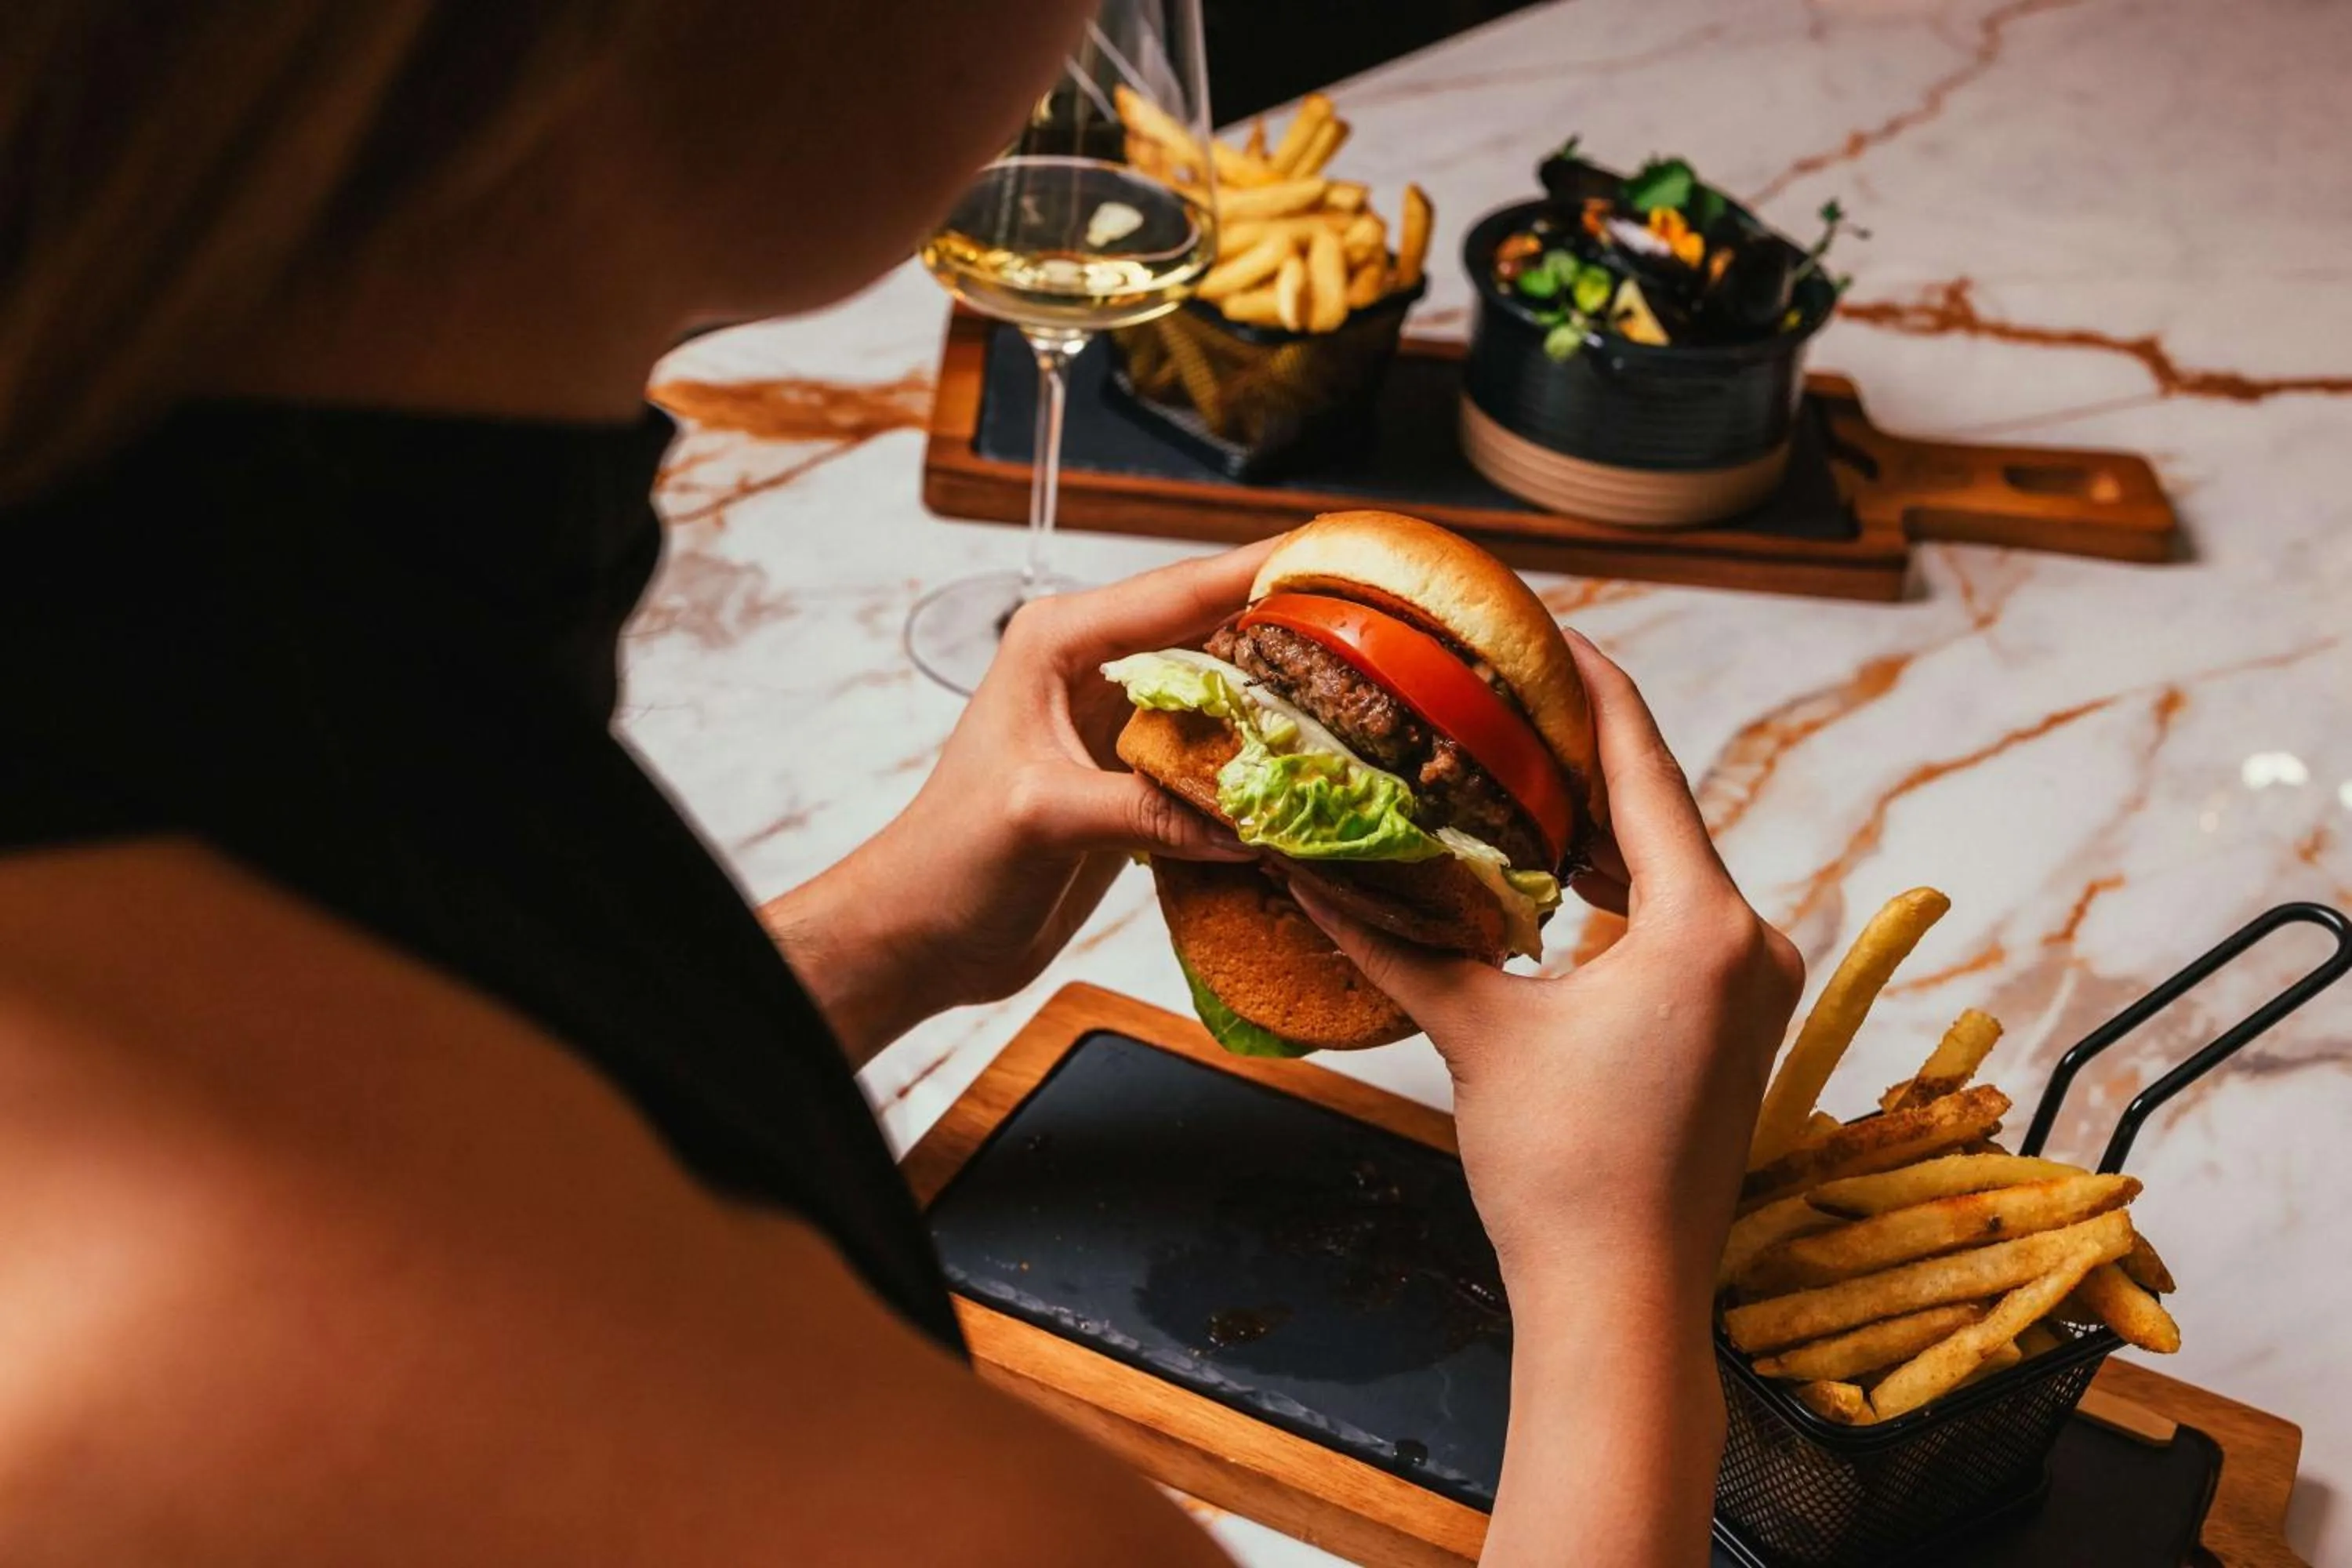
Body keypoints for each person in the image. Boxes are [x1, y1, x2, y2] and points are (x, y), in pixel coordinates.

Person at [0, 3, 1802, 1564]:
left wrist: (877, 937)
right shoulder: (915, 1509)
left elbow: (389, 1086)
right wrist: (1623, 1291)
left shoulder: (224, 672)